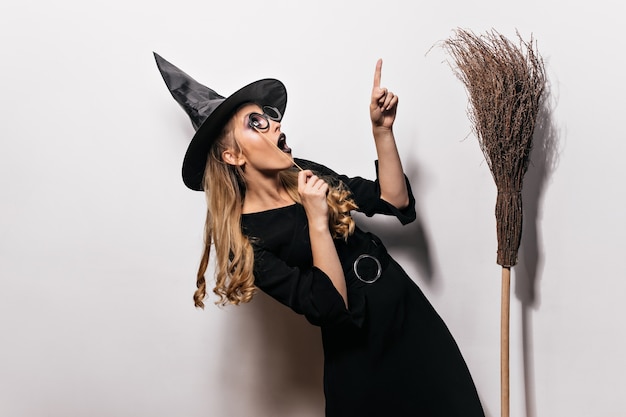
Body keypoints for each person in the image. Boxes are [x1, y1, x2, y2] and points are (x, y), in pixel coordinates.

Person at [154, 52, 485, 417]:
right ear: (232, 156)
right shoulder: (245, 240)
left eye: (269, 118)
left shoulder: (303, 174)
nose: (275, 126)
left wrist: (381, 130)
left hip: (410, 318)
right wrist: (316, 220)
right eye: (255, 123)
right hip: (361, 354)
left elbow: (393, 199)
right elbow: (330, 307)